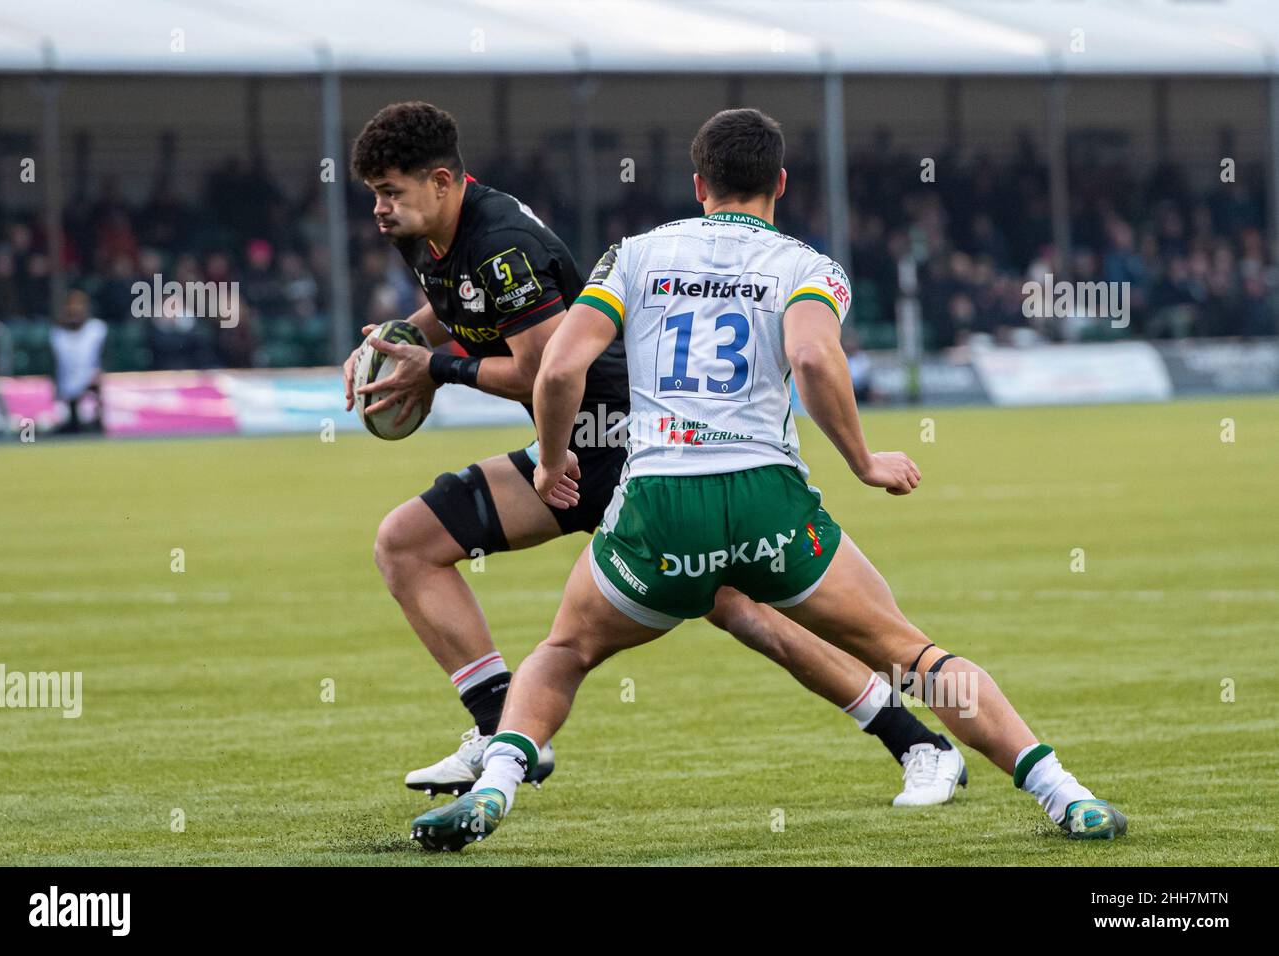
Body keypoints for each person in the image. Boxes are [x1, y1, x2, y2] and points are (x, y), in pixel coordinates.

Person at [413, 108, 1127, 850]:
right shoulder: (807, 267)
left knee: (564, 652)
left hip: (661, 505)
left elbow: (560, 366)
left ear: (698, 185)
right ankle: (1064, 795)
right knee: (913, 657)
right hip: (767, 504)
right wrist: (865, 461)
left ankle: (495, 789)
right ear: (780, 183)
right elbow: (815, 361)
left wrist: (556, 460)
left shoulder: (633, 255)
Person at [345, 101, 967, 810]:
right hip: (573, 448)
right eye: (373, 195)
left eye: (390, 192)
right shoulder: (429, 232)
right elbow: (456, 298)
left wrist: (437, 370)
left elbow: (540, 368)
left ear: (443, 182)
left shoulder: (500, 243)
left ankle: (922, 743)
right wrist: (405, 336)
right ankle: (501, 727)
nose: (380, 209)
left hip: (621, 445)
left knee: (749, 614)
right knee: (407, 543)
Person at [49, 290, 107, 434]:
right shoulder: (57, 334)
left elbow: (106, 357)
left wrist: (99, 374)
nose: (75, 310)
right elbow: (53, 364)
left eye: (79, 306)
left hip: (91, 386)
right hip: (65, 387)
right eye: (71, 307)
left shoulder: (96, 330)